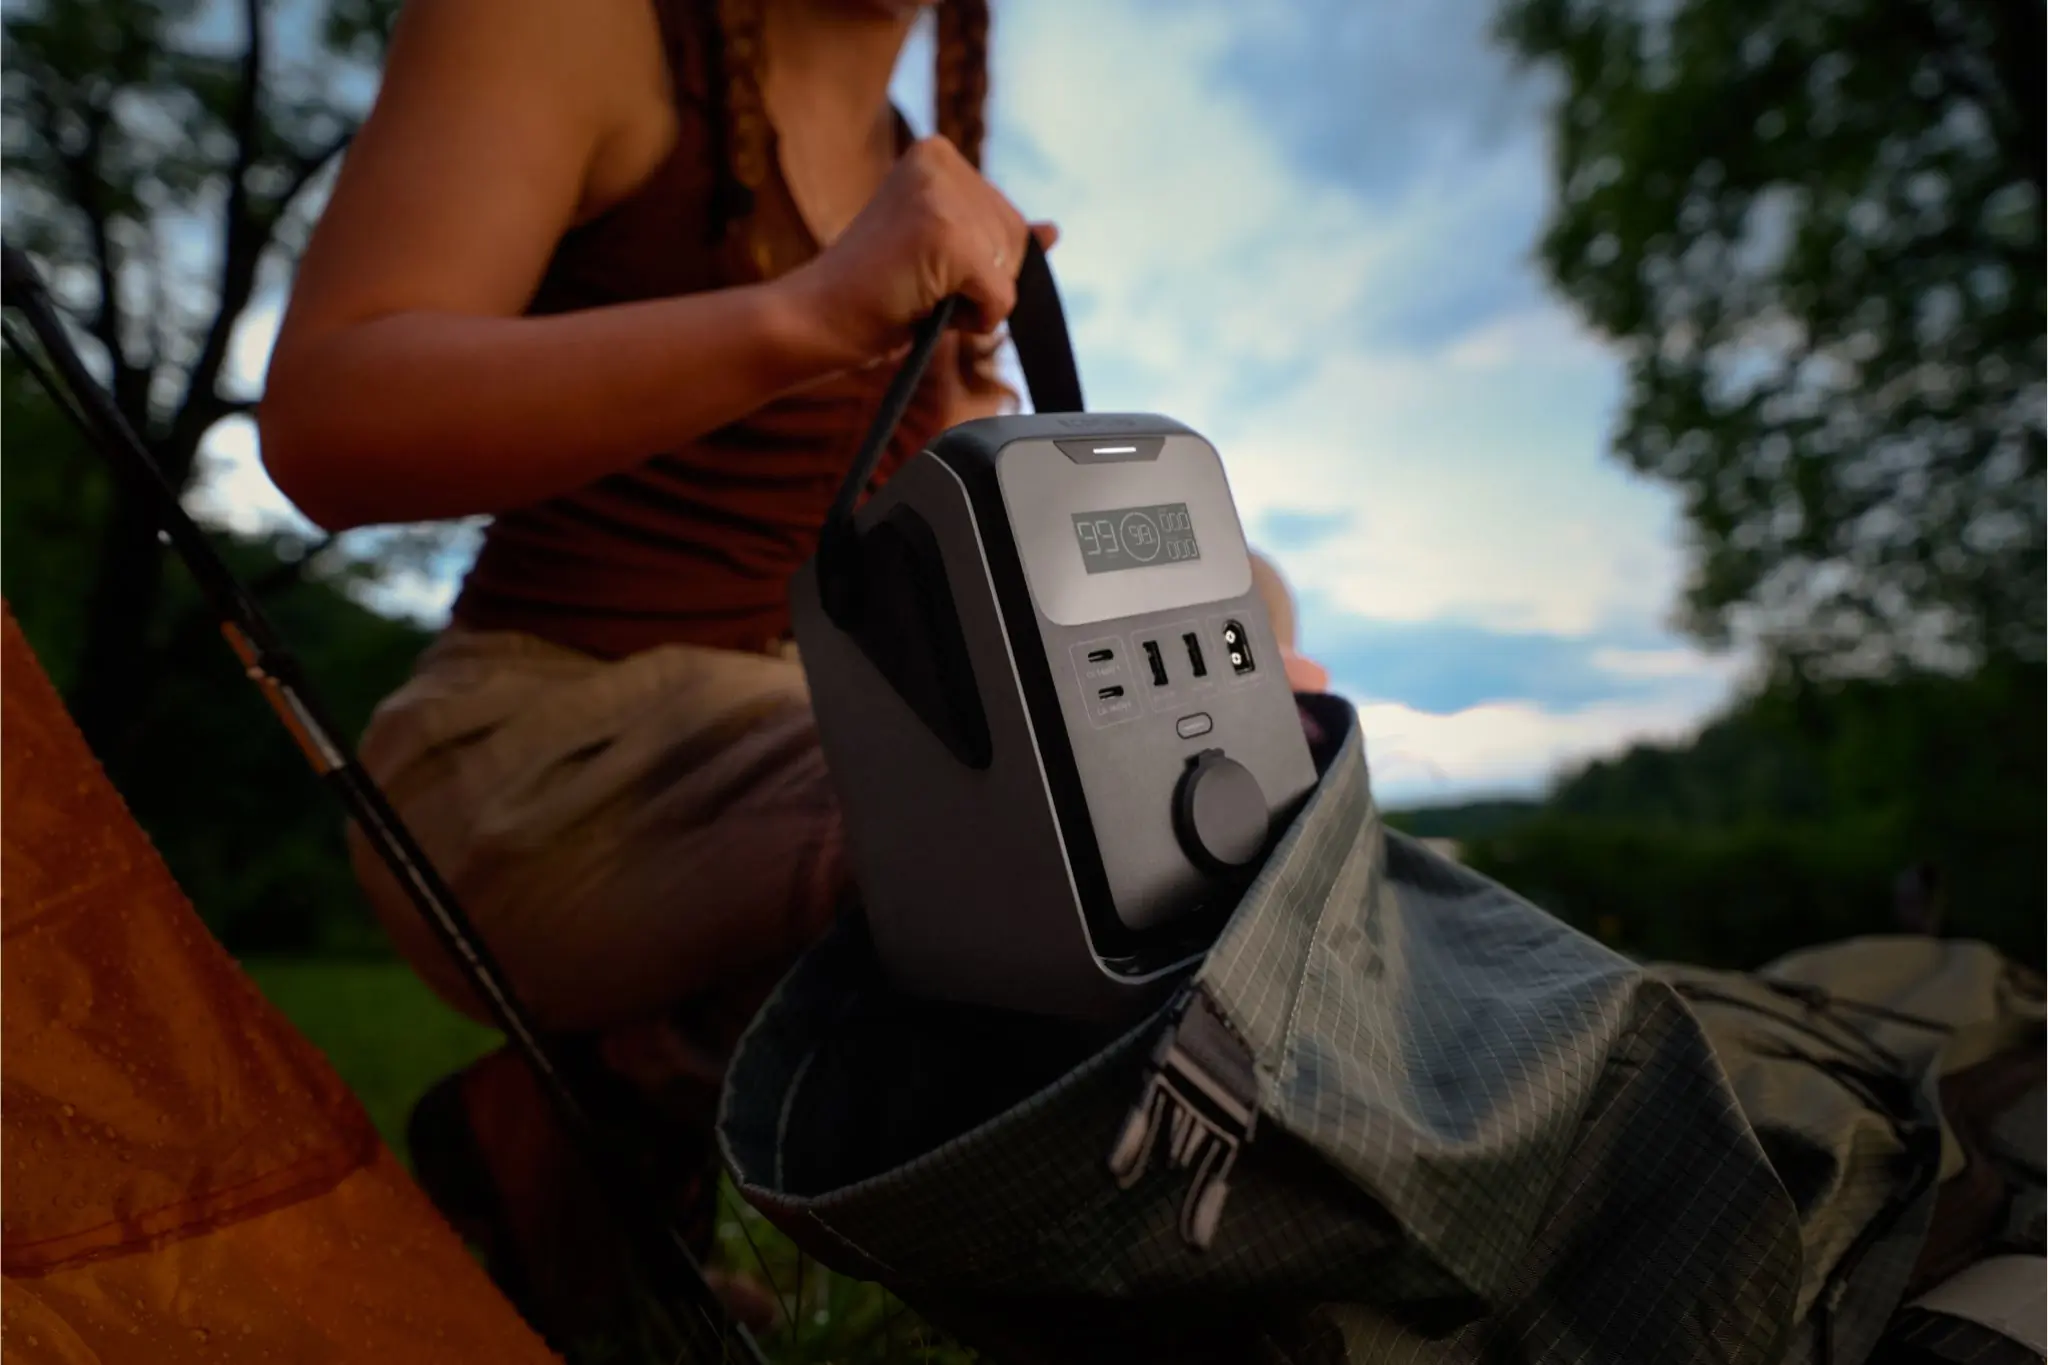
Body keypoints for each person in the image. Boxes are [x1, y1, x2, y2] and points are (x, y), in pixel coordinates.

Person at [259, 0, 1329, 1332]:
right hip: (540, 763)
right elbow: (326, 417)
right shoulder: (578, 28)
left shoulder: (921, 159)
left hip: (788, 730)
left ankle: (594, 1133)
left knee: (1236, 649)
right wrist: (808, 314)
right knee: (1052, 840)